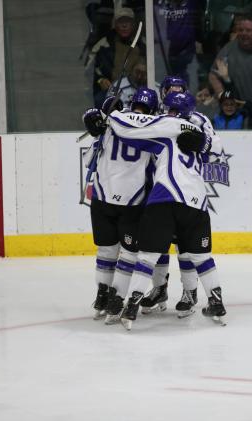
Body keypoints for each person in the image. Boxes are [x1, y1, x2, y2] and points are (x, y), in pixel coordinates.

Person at [91, 92, 227, 330]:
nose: (169, 112)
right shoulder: (195, 128)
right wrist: (203, 143)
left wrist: (108, 117)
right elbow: (215, 148)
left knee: (146, 255)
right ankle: (216, 302)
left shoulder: (166, 129)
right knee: (201, 257)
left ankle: (131, 304)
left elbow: (129, 130)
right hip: (196, 204)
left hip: (165, 199)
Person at [82, 88, 164, 323]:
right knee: (129, 254)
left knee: (106, 252)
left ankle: (102, 296)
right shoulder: (154, 130)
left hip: (101, 198)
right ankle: (117, 299)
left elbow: (89, 160)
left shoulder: (112, 123)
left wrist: (95, 119)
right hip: (132, 201)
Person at [89, 7, 143, 108]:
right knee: (100, 100)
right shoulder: (104, 45)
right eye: (120, 22)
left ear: (134, 24)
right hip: (112, 92)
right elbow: (94, 70)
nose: (124, 25)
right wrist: (101, 80)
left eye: (128, 21)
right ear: (115, 24)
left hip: (138, 90)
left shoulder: (143, 44)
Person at [154, 0, 205, 87]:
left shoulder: (191, 3)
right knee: (163, 90)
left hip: (186, 56)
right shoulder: (156, 4)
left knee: (185, 91)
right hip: (162, 57)